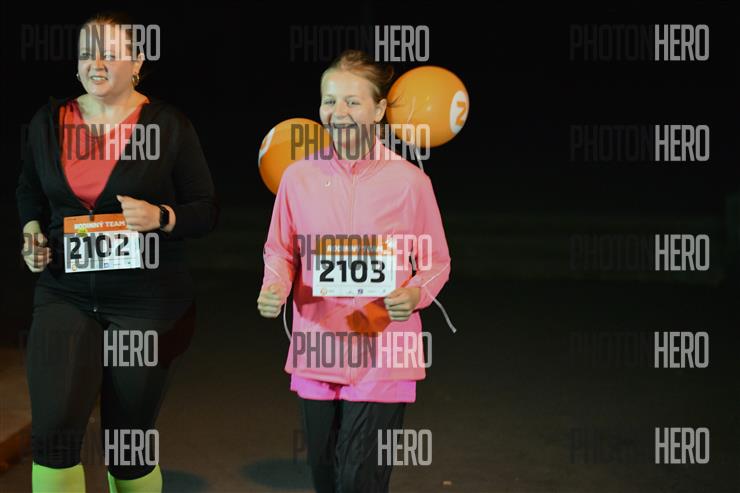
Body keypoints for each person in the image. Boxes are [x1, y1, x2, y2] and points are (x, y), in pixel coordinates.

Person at [17, 12, 217, 493]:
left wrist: (161, 216)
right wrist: (32, 233)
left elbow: (206, 209)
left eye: (110, 53)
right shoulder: (49, 121)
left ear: (138, 62)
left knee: (128, 444)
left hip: (145, 302)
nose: (97, 63)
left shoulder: (168, 125)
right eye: (87, 53)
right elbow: (30, 190)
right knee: (53, 435)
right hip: (64, 293)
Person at [257, 50, 451, 493]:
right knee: (327, 480)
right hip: (318, 345)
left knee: (358, 481)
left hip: (384, 346)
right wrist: (275, 285)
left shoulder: (410, 182)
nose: (338, 112)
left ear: (379, 110)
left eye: (352, 101)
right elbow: (279, 249)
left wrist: (415, 294)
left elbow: (436, 261)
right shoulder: (297, 177)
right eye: (329, 100)